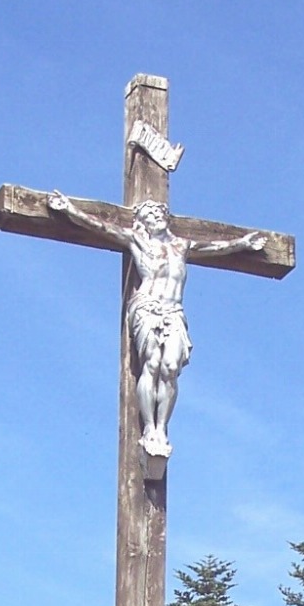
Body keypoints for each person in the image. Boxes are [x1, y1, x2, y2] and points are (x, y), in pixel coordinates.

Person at [46, 191, 267, 461]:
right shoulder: (137, 240)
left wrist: (243, 243)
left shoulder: (182, 245)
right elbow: (101, 227)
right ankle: (149, 428)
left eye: (159, 213)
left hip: (174, 311)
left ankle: (162, 428)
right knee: (151, 363)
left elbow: (216, 247)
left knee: (170, 368)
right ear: (142, 222)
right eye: (149, 214)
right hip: (147, 307)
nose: (156, 216)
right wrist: (69, 210)